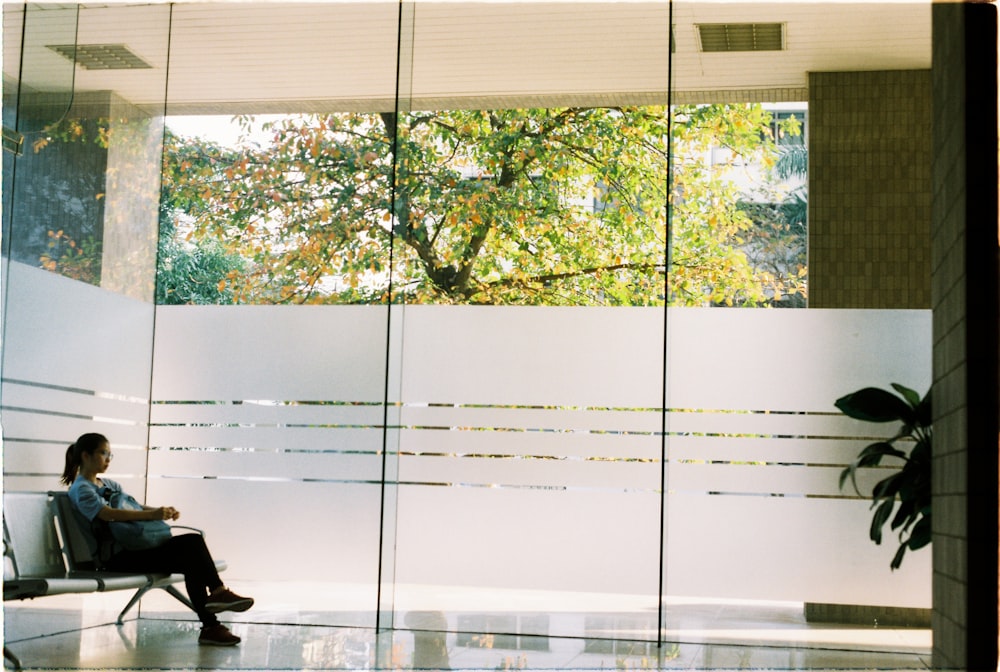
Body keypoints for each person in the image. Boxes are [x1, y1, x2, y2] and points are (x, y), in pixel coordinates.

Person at [61, 432, 254, 646]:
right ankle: (214, 609)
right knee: (191, 545)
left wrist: (161, 511)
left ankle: (212, 619)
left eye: (110, 454)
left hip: (135, 548)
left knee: (192, 549)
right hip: (117, 558)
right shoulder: (81, 490)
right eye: (103, 453)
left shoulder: (109, 484)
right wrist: (152, 515)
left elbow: (133, 507)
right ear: (86, 456)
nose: (108, 459)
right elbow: (108, 514)